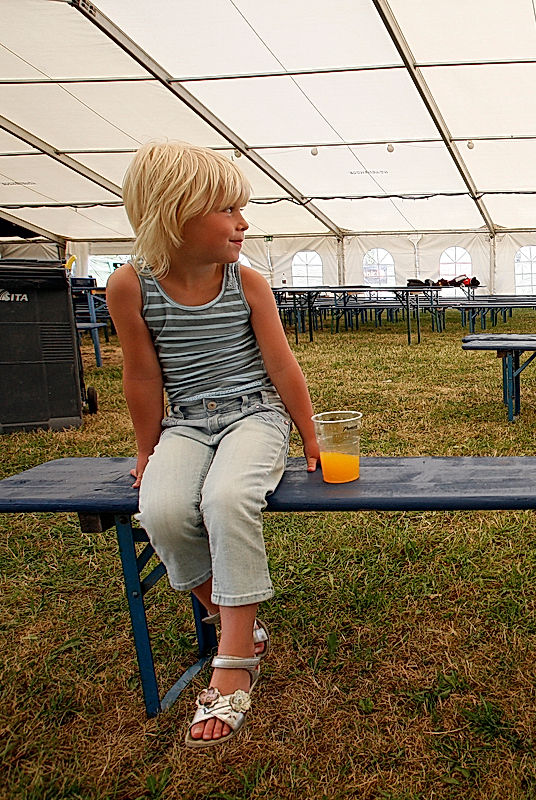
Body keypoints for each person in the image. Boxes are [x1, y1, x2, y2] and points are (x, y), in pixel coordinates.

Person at [107, 141, 321, 748]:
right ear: (175, 215)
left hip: (255, 418)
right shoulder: (129, 287)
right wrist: (147, 452)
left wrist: (308, 435)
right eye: (228, 210)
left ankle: (232, 662)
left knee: (228, 500)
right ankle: (235, 619)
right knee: (163, 510)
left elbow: (282, 366)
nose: (244, 222)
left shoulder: (246, 282)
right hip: (186, 424)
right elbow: (143, 375)